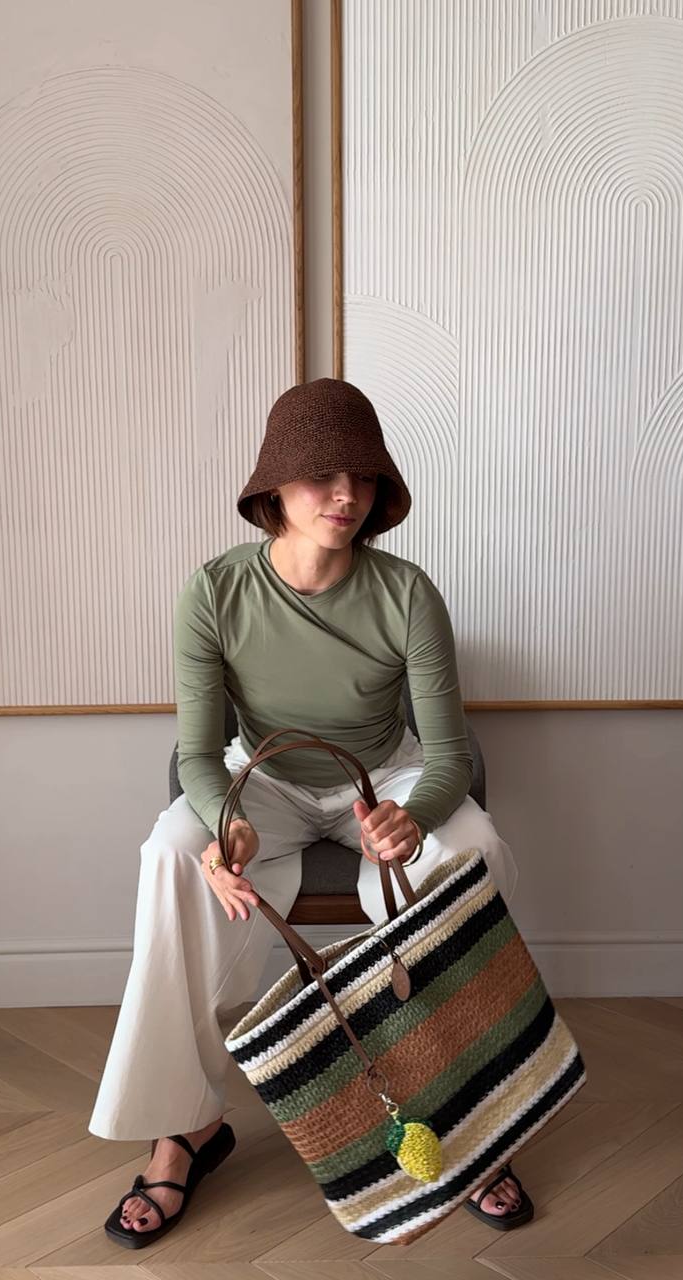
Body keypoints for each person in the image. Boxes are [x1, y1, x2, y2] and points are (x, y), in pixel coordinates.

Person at [89, 377, 529, 1247]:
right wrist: (225, 824)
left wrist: (416, 815)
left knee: (472, 847)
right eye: (323, 475)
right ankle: (184, 1126)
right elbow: (197, 753)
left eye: (363, 477)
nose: (346, 494)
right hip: (266, 780)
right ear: (274, 488)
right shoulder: (214, 591)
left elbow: (448, 757)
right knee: (170, 851)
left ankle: (470, 1113)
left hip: (386, 775)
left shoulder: (408, 592)